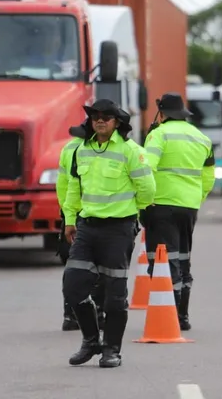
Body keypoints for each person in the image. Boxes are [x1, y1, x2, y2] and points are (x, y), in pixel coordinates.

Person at [62, 99, 155, 368]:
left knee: (114, 294)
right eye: (95, 116)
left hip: (118, 229)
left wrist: (131, 214)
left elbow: (147, 188)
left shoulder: (130, 150)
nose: (100, 120)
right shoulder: (82, 150)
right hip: (87, 227)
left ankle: (111, 350)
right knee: (73, 286)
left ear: (117, 122)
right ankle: (91, 341)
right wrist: (70, 220)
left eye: (106, 117)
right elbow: (73, 188)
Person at [141, 93, 215, 331]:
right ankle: (182, 315)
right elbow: (208, 177)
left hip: (160, 205)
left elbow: (146, 169)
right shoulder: (202, 138)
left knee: (162, 261)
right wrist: (196, 198)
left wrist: (144, 201)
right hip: (189, 206)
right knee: (183, 258)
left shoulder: (158, 134)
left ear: (161, 114)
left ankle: (170, 314)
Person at [56, 119, 106, 331]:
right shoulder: (100, 150)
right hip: (98, 215)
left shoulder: (68, 147)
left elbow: (62, 185)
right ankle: (98, 313)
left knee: (74, 267)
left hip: (72, 212)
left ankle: (71, 315)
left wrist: (67, 214)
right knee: (101, 267)